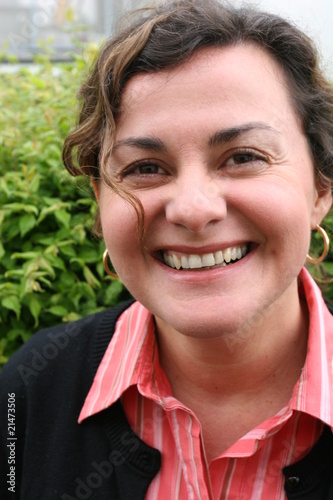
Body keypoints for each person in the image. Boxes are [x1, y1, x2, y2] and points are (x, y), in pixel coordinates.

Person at [1, 0, 333, 498]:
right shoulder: (26, 393)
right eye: (144, 168)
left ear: (321, 187)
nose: (193, 210)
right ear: (100, 199)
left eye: (243, 157)